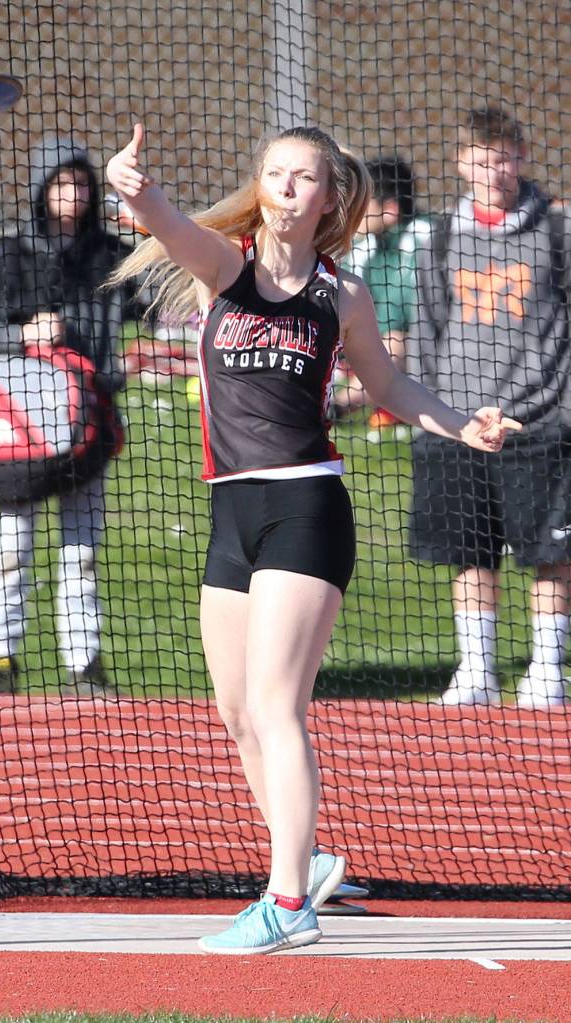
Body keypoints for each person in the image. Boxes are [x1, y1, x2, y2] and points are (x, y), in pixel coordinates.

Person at [105, 121, 519, 954]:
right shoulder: (226, 269)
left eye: (303, 178)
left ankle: (287, 901)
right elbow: (175, 227)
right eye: (273, 175)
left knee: (275, 704)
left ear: (329, 197)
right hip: (230, 510)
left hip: (305, 506)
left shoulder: (342, 295)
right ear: (258, 188)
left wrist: (457, 424)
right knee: (236, 713)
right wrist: (136, 188)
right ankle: (305, 855)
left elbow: (388, 381)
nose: (286, 189)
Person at [405, 106, 571, 709]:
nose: (492, 170)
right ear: (460, 163)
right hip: (459, 425)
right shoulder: (443, 236)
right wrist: (431, 411)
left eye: (502, 157)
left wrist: (564, 411)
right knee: (470, 552)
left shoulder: (557, 231)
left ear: (521, 159)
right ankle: (477, 671)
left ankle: (546, 671)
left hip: (539, 419)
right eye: (480, 158)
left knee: (550, 553)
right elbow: (425, 330)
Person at [0, 136, 132, 697]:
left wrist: (163, 234)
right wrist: (21, 334)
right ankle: (3, 661)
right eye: (62, 182)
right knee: (13, 543)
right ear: (42, 189)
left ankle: (85, 664)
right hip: (24, 423)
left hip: (89, 421)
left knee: (81, 550)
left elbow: (160, 304)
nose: (74, 193)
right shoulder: (9, 257)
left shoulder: (110, 257)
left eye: (82, 183)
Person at [335, 156, 432, 433]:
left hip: (433, 347)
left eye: (362, 203)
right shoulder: (365, 245)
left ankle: (337, 407)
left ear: (389, 210)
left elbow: (400, 321)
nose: (352, 210)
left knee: (393, 342)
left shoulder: (424, 239)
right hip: (386, 345)